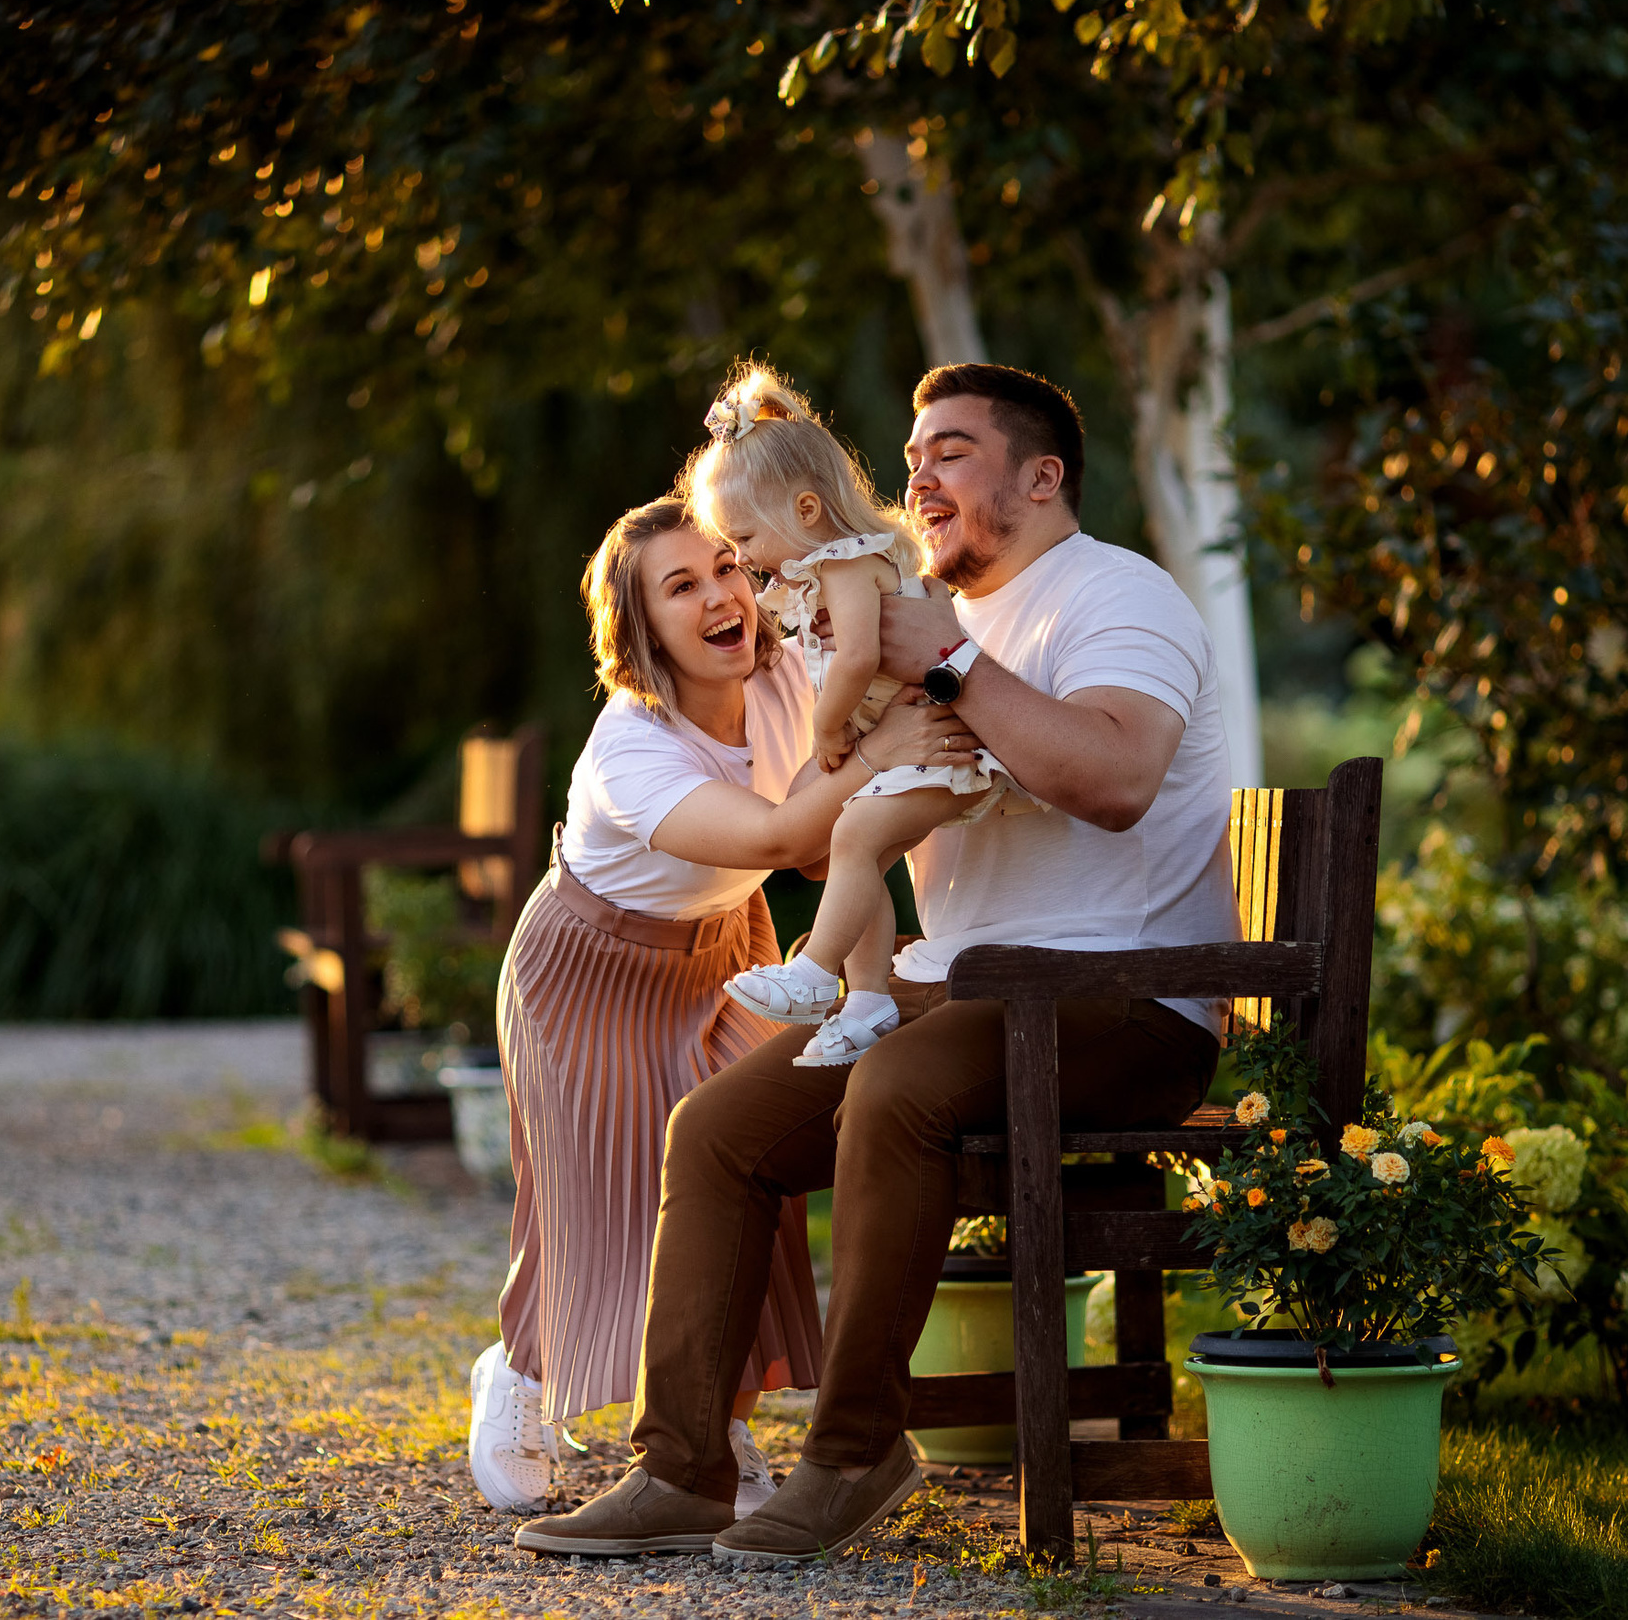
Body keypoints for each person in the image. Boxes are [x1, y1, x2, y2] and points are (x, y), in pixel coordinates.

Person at [514, 362, 1239, 1565]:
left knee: (898, 1095)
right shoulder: (927, 610)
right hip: (963, 987)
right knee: (717, 1131)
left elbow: (1112, 781)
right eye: (910, 455)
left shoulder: (1121, 597)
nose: (916, 475)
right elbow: (830, 815)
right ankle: (683, 1468)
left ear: (1041, 478)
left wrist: (947, 664)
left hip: (1123, 996)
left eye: (950, 451)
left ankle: (855, 1450)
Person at [467, 494, 983, 1517]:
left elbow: (875, 626)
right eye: (682, 585)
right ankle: (520, 1374)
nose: (720, 597)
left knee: (743, 1186)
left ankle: (720, 1418)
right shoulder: (630, 751)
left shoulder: (789, 670)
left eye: (726, 569)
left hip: (729, 946)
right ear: (641, 624)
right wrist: (882, 754)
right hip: (591, 966)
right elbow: (781, 840)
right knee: (593, 1198)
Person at [683, 364, 1035, 1068]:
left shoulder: (848, 562)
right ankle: (868, 998)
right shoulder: (819, 573)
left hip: (944, 749)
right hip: (911, 747)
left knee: (853, 839)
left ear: (807, 511)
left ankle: (815, 972)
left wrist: (826, 728)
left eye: (746, 539)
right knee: (860, 848)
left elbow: (855, 659)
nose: (744, 559)